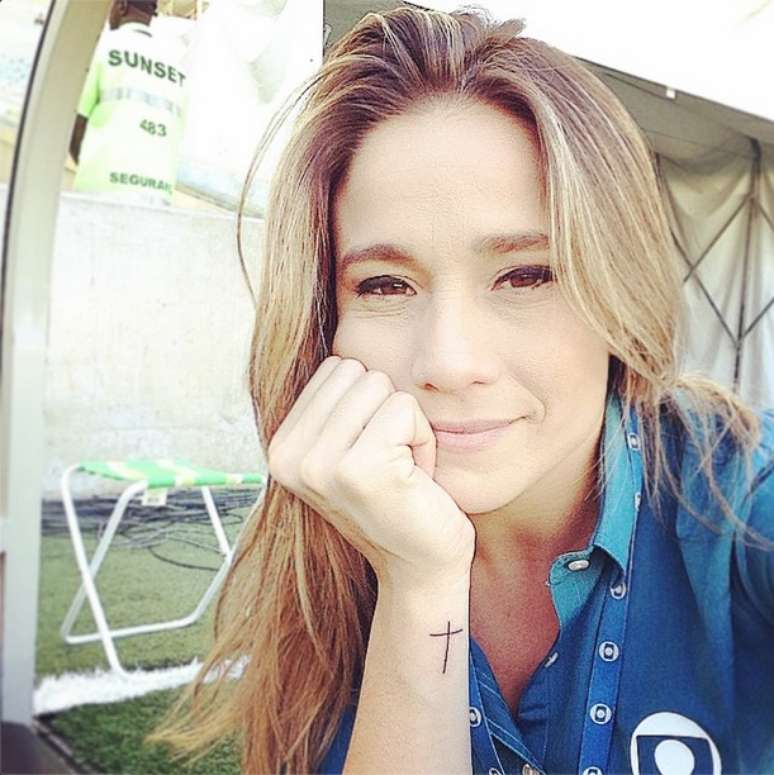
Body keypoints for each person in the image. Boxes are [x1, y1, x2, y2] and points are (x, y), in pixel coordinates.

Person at [149, 6, 774, 774]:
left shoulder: (742, 498)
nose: (449, 360)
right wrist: (418, 581)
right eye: (385, 283)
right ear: (324, 322)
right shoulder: (322, 559)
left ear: (621, 290)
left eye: (526, 274)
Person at [69, 0, 187, 207]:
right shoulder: (177, 66)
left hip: (102, 190)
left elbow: (75, 124)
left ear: (121, 6)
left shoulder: (104, 48)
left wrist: (93, 170)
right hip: (158, 196)